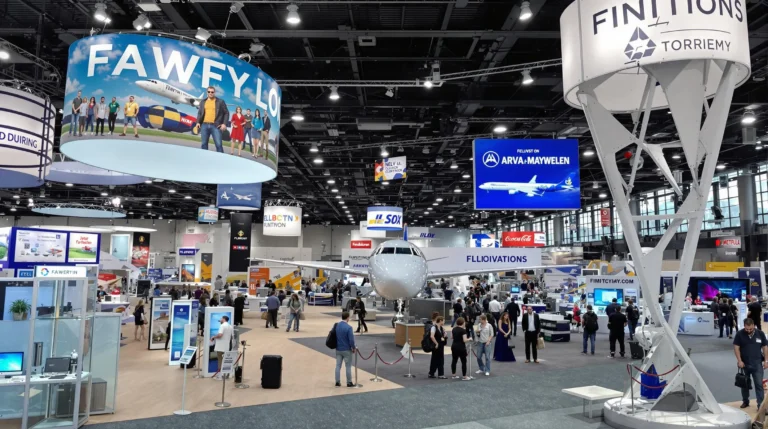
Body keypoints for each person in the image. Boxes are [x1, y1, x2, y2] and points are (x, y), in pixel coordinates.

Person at [733, 318, 768, 409]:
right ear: (744, 326)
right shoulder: (739, 334)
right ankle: (745, 401)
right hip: (745, 364)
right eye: (746, 329)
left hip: (757, 364)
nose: (748, 331)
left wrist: (766, 361)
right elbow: (736, 348)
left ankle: (760, 405)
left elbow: (765, 347)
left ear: (753, 325)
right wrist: (739, 360)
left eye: (750, 329)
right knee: (744, 384)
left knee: (759, 385)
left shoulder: (760, 333)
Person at [195, 86, 229, 153]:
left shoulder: (220, 102)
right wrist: (198, 122)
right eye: (209, 92)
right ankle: (204, 158)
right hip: (204, 125)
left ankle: (221, 159)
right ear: (207, 92)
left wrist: (224, 124)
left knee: (219, 145)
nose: (210, 93)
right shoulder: (203, 102)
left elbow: (226, 113)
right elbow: (200, 113)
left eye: (212, 92)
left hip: (216, 126)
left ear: (214, 92)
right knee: (204, 144)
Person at [334, 311, 356, 387]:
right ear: (347, 318)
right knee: (348, 366)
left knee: (338, 366)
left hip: (338, 349)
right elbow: (351, 340)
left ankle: (337, 382)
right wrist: (353, 347)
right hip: (346, 349)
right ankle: (349, 382)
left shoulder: (337, 326)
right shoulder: (349, 328)